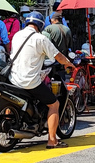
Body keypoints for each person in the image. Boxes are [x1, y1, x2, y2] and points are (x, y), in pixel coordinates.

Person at [8, 12, 75, 149]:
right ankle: (52, 140)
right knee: (54, 104)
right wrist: (69, 63)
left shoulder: (17, 35)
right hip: (30, 81)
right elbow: (58, 56)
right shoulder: (40, 38)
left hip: (13, 78)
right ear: (40, 25)